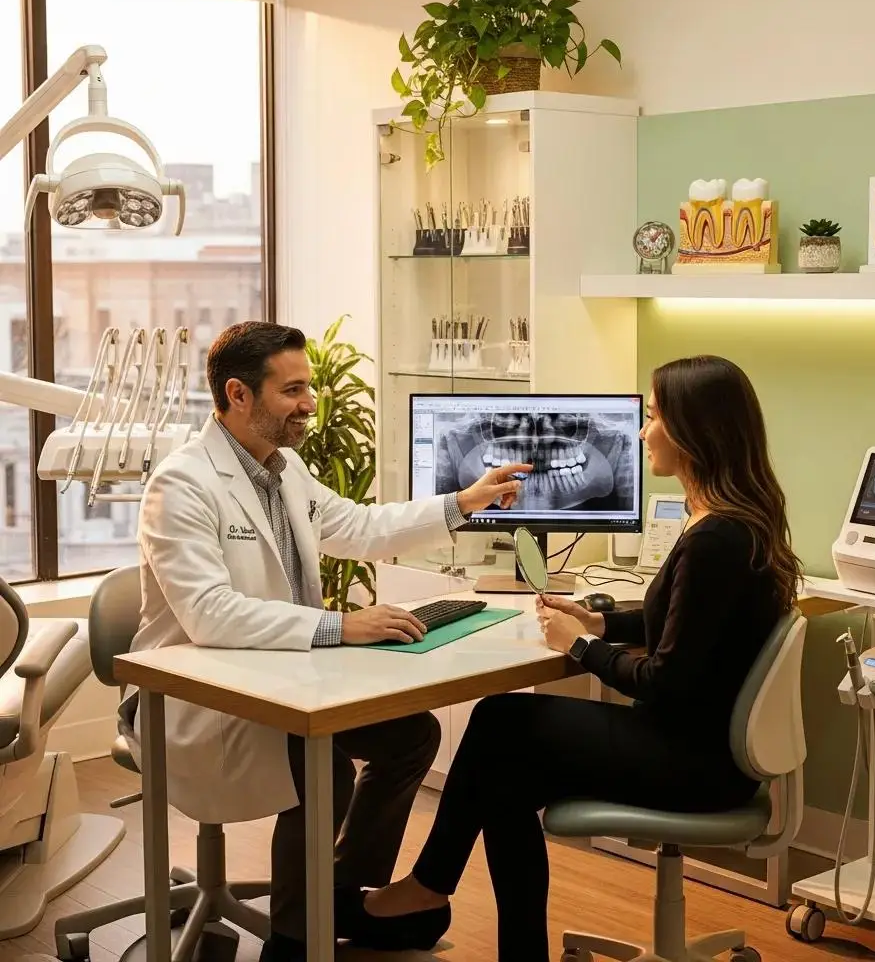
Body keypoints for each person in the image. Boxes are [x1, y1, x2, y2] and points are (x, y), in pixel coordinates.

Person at [337, 354, 804, 961]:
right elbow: (689, 627)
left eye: (655, 417)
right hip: (706, 750)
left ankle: (425, 894)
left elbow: (667, 677)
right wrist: (601, 620)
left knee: (500, 723)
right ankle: (452, 912)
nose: (642, 432)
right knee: (505, 766)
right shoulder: (739, 523)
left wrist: (580, 647)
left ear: (694, 431)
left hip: (692, 763)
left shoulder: (714, 538)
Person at [115, 321, 531, 962]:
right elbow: (209, 615)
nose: (311, 403)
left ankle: (335, 892)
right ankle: (293, 939)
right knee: (324, 768)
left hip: (280, 681)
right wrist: (340, 626)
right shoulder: (182, 485)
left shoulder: (285, 469)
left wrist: (462, 503)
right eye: (294, 390)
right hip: (196, 697)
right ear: (239, 395)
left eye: (309, 387)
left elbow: (360, 527)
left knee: (411, 734)